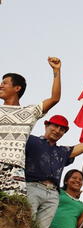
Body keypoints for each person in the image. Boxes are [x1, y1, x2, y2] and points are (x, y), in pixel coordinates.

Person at [25, 109, 83, 228]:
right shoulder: (31, 140)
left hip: (52, 194)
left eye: (62, 129)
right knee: (26, 225)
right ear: (46, 125)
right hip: (31, 187)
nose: (58, 130)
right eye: (55, 126)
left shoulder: (63, 151)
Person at [0, 57, 61, 195]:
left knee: (13, 210)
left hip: (15, 169)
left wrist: (56, 71)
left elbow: (55, 98)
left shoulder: (29, 112)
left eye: (4, 83)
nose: (1, 85)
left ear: (17, 88)